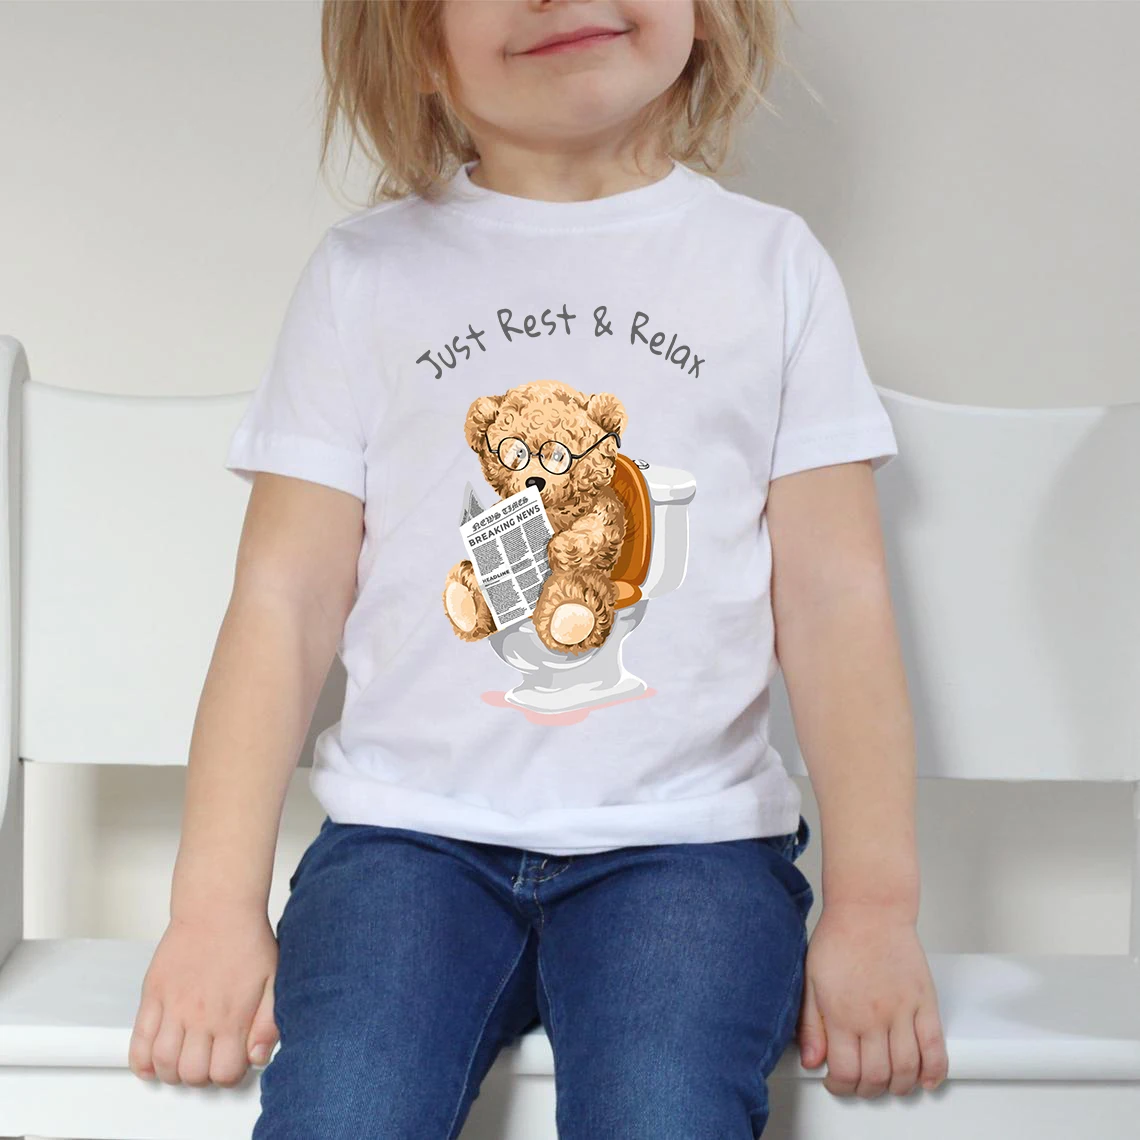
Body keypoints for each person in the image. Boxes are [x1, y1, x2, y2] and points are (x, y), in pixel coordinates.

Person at [128, 1, 949, 1136]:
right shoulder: (362, 277)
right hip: (405, 842)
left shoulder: (771, 267)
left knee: (665, 1112)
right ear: (416, 44)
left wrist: (875, 909)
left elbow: (834, 602)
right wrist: (211, 908)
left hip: (689, 850)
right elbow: (283, 602)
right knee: (342, 1111)